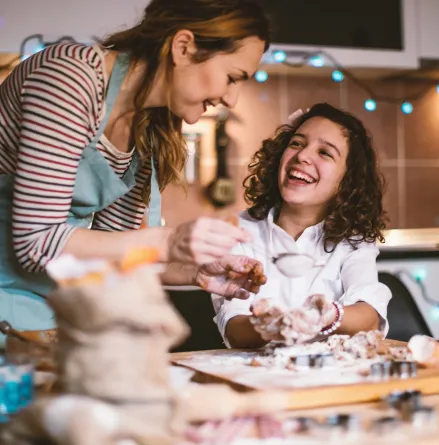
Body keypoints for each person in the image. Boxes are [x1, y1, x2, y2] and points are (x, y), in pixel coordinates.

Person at [0, 0, 271, 332]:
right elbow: (36, 243)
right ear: (183, 47)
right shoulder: (70, 79)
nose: (232, 99)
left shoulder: (149, 127)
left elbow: (112, 248)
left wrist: (190, 270)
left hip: (49, 311)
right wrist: (167, 242)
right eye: (232, 77)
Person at [213, 103, 392, 348]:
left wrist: (327, 315)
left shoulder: (353, 241)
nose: (303, 156)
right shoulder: (237, 232)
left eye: (325, 153)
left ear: (347, 180)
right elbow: (234, 328)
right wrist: (276, 326)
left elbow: (368, 315)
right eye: (296, 143)